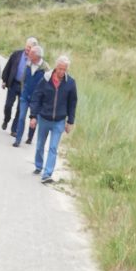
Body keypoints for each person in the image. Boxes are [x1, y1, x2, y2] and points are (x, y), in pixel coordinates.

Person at [29, 54, 78, 183]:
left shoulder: (70, 83)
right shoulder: (45, 79)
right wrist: (33, 116)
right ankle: (38, 166)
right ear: (56, 67)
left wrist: (70, 122)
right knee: (40, 145)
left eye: (64, 69)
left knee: (53, 147)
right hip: (44, 118)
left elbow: (72, 103)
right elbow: (36, 97)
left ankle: (47, 174)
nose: (62, 72)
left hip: (59, 121)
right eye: (60, 68)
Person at [0, 36, 37, 133]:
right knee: (8, 105)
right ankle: (6, 119)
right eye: (27, 46)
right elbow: (8, 67)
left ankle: (14, 129)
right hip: (13, 83)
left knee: (20, 109)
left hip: (24, 88)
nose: (28, 49)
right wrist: (4, 80)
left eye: (30, 47)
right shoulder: (16, 54)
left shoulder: (34, 61)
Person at [11, 43, 46, 148]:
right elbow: (23, 79)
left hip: (37, 99)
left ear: (37, 56)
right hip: (25, 97)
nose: (28, 55)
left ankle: (30, 137)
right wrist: (23, 91)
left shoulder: (45, 68)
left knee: (34, 119)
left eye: (31, 54)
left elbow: (47, 86)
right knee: (21, 117)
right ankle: (18, 140)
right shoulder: (28, 64)